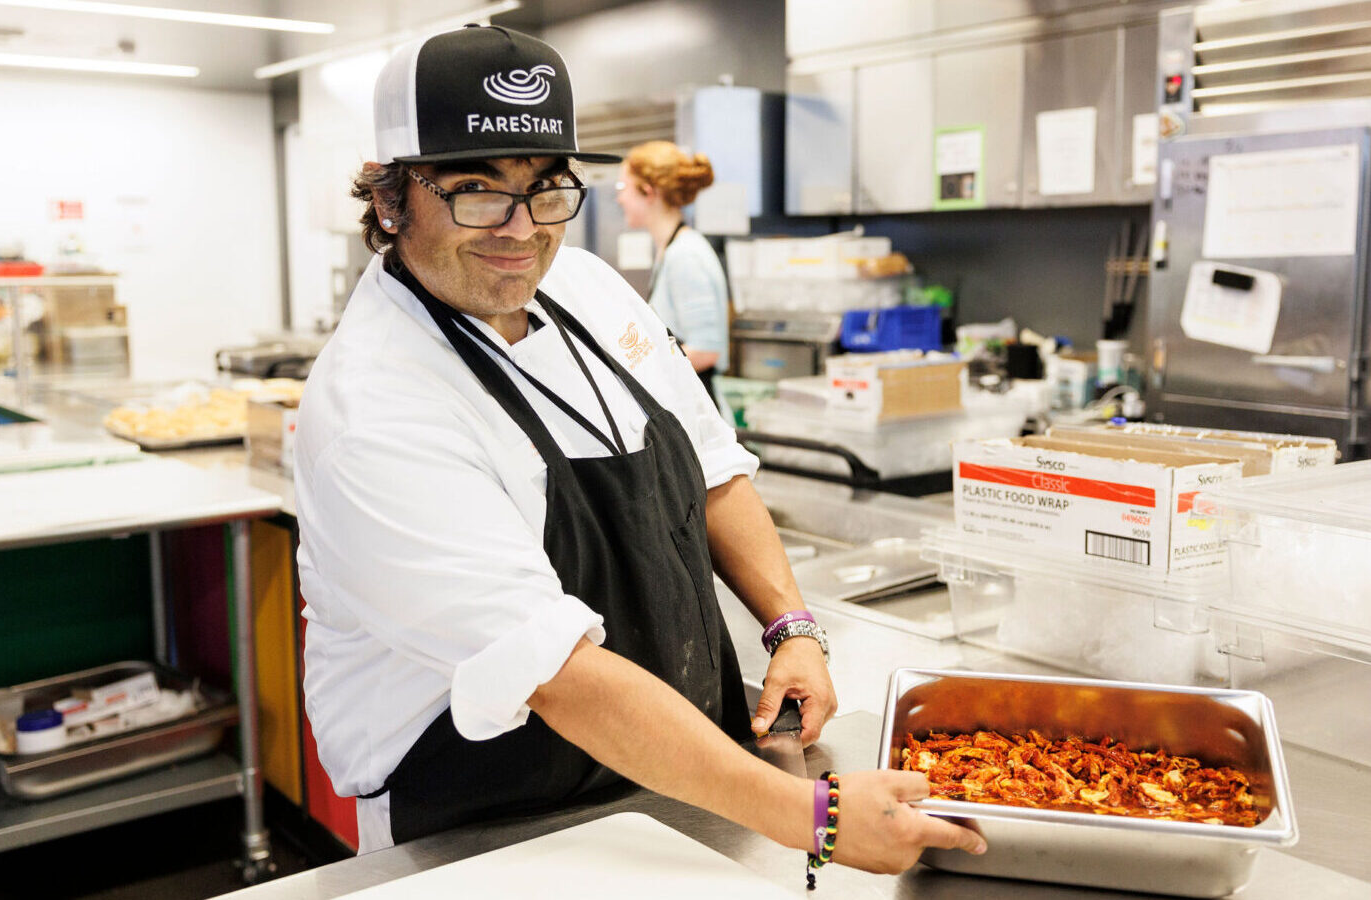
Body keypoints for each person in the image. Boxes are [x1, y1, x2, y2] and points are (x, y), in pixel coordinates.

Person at [294, 23, 986, 880]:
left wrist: (793, 629)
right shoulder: (374, 405)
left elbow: (713, 471)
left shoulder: (586, 287)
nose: (521, 229)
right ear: (390, 198)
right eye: (476, 190)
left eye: (545, 189)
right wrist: (815, 816)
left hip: (685, 780)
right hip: (486, 824)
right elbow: (553, 673)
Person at [616, 141, 731, 401]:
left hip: (699, 408)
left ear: (648, 192)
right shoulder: (669, 251)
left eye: (623, 188)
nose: (619, 198)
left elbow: (706, 351)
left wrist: (639, 373)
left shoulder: (685, 255)